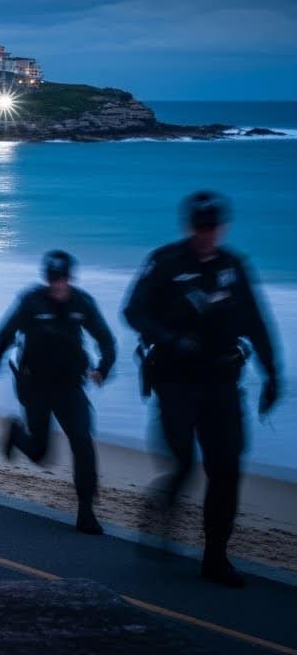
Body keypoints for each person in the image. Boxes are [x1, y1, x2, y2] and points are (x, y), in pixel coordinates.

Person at [124, 191, 280, 588]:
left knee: (226, 470)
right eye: (200, 226)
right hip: (175, 380)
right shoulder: (165, 262)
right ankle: (165, 500)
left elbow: (256, 322)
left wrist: (272, 374)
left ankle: (215, 557)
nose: (207, 234)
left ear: (222, 227)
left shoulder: (234, 266)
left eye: (213, 227)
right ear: (189, 226)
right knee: (182, 461)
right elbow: (133, 311)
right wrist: (170, 339)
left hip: (222, 383)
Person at [0, 250, 115, 535]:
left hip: (70, 386)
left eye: (63, 278)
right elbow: (6, 332)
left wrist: (103, 367)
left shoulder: (82, 302)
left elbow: (105, 338)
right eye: (54, 279)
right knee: (41, 454)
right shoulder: (31, 302)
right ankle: (17, 434)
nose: (58, 285)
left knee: (82, 441)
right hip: (36, 385)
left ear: (70, 277)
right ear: (47, 278)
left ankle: (86, 512)